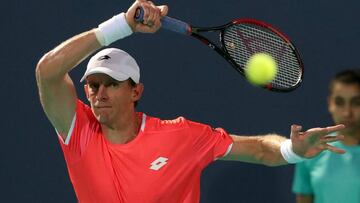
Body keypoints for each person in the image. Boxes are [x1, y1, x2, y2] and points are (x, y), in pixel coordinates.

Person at [35, 0, 345, 202]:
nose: (99, 94)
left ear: (136, 92)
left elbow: (260, 149)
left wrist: (293, 150)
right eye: (92, 85)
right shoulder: (77, 131)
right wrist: (120, 27)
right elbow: (47, 71)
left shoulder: (179, 137)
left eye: (111, 84)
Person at [292, 69, 360, 203]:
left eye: (356, 103)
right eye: (339, 102)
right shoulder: (311, 150)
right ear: (330, 103)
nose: (347, 113)